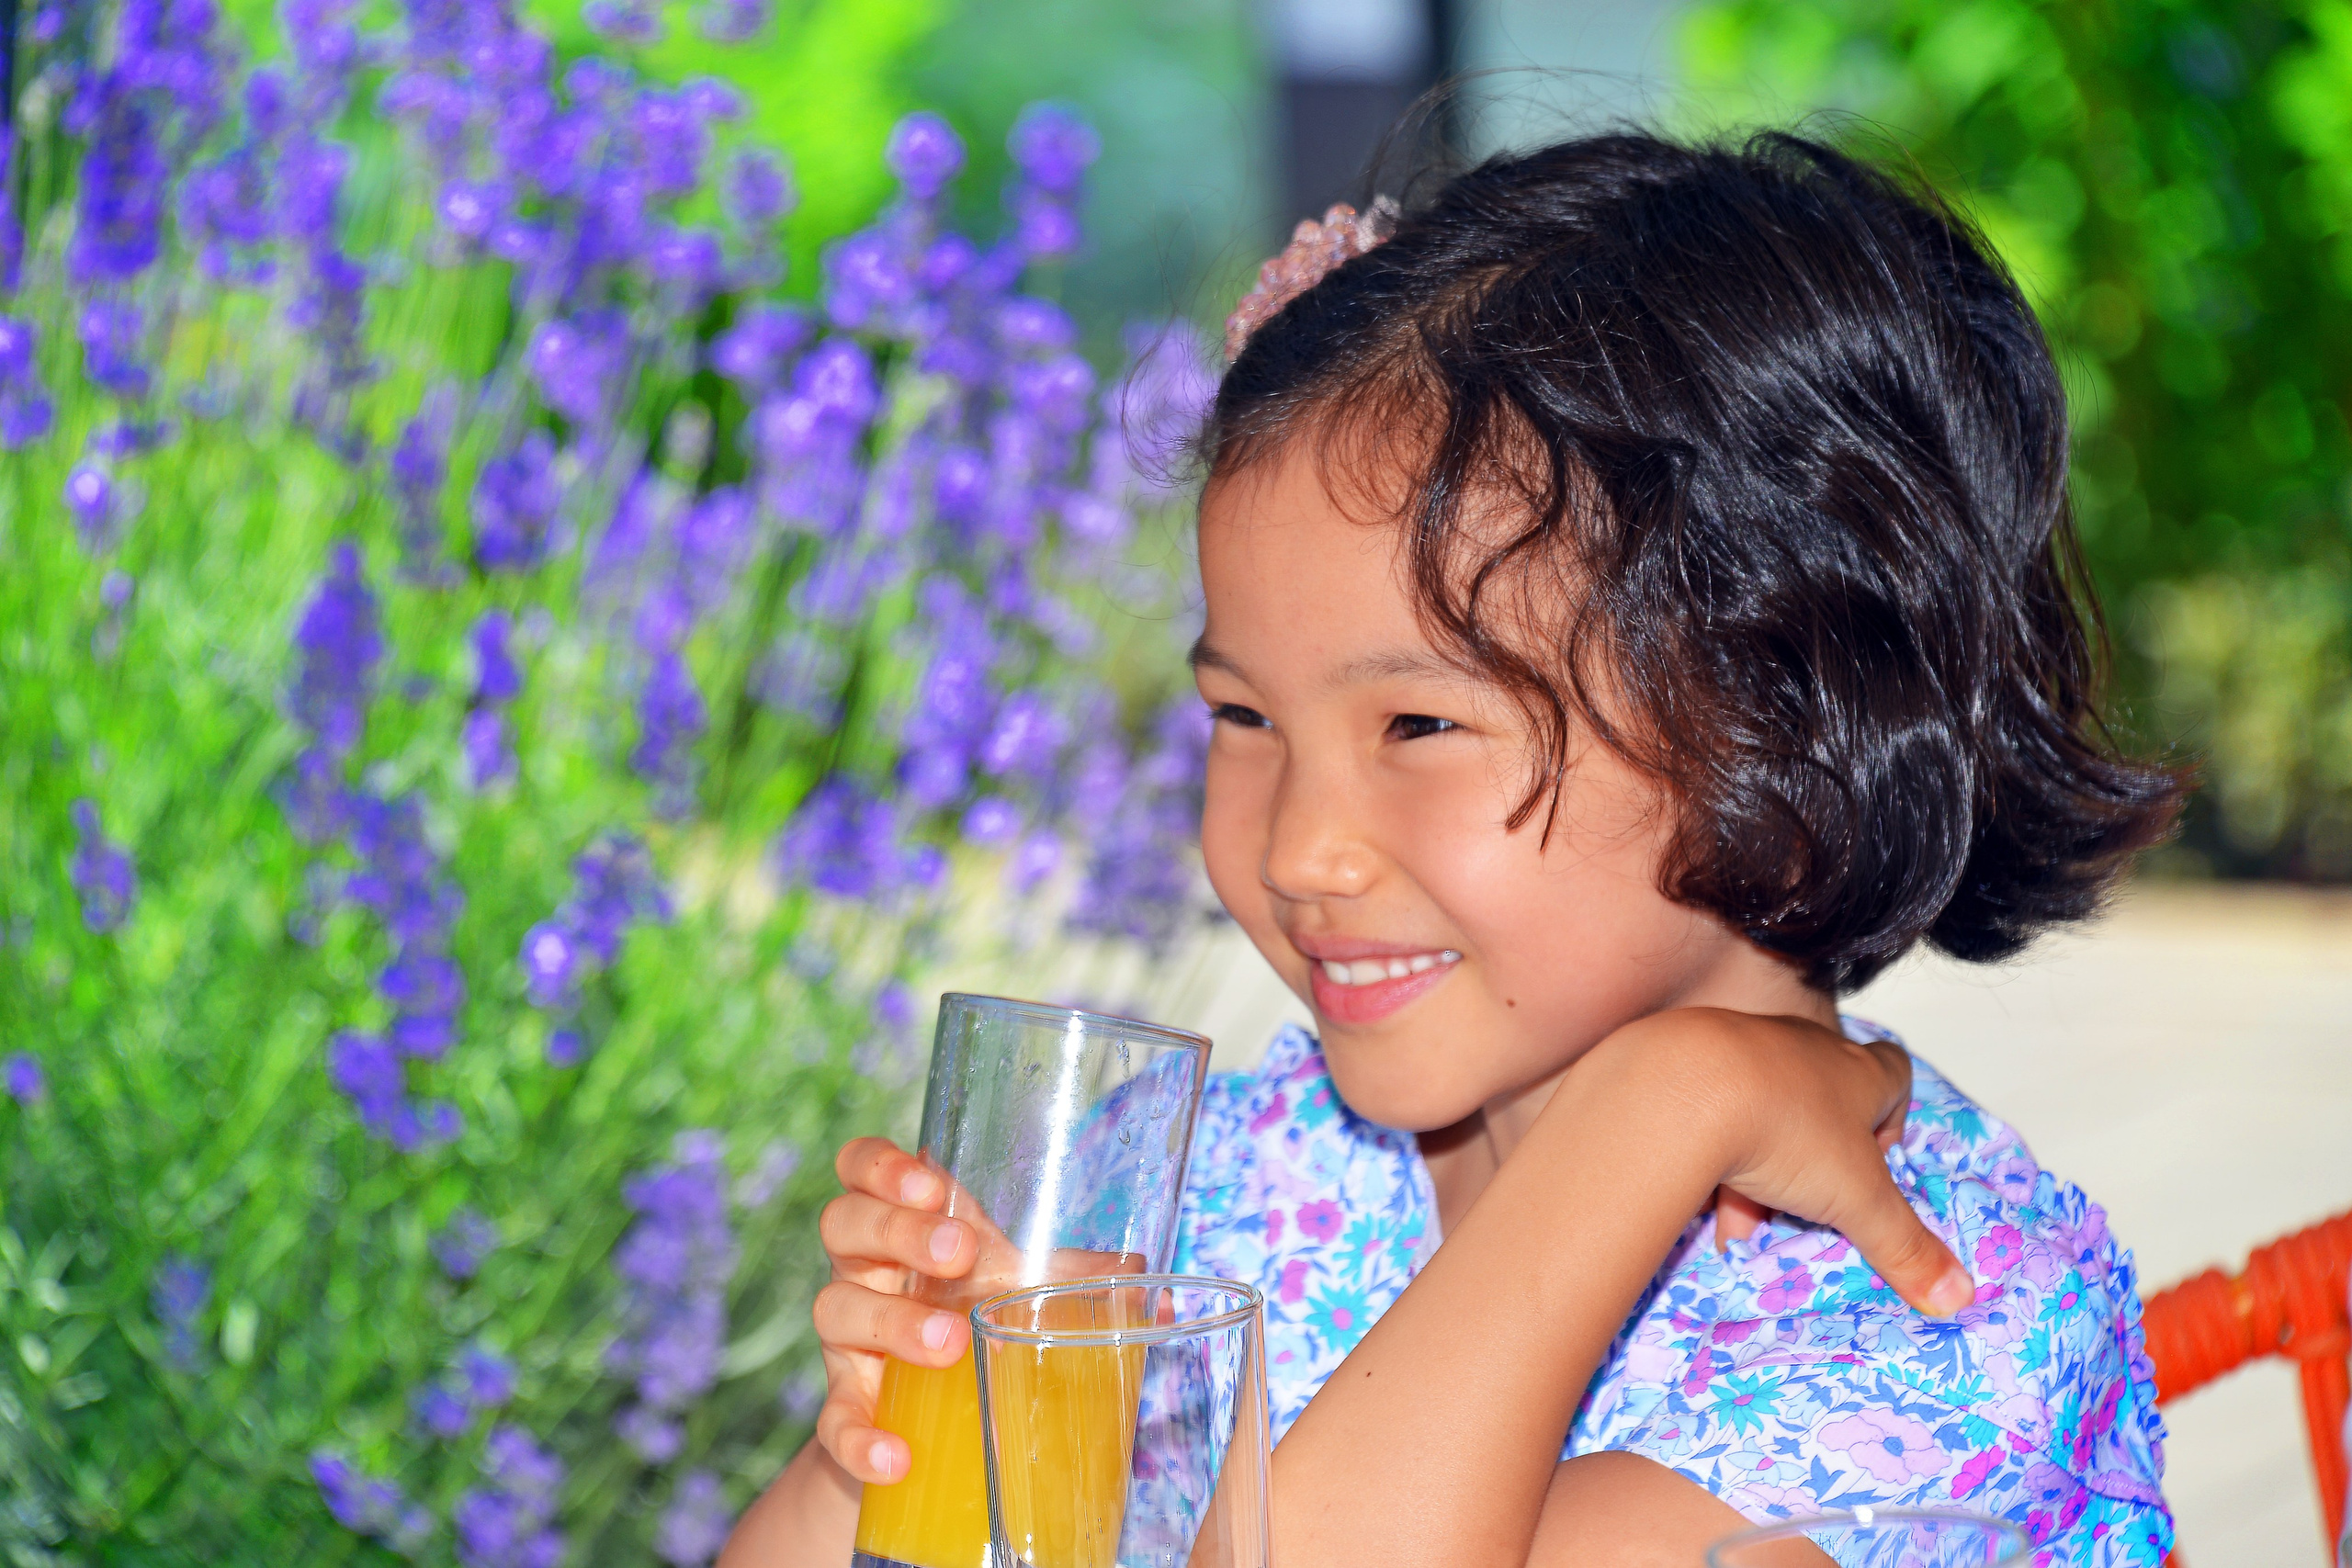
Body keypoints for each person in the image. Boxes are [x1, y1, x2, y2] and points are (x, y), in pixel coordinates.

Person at [723, 130, 2181, 1567]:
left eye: (1417, 726)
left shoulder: (1941, 1323)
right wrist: (887, 1459)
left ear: (1787, 737)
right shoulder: (1239, 1185)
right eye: (1242, 713)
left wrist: (1661, 1110)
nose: (1299, 848)